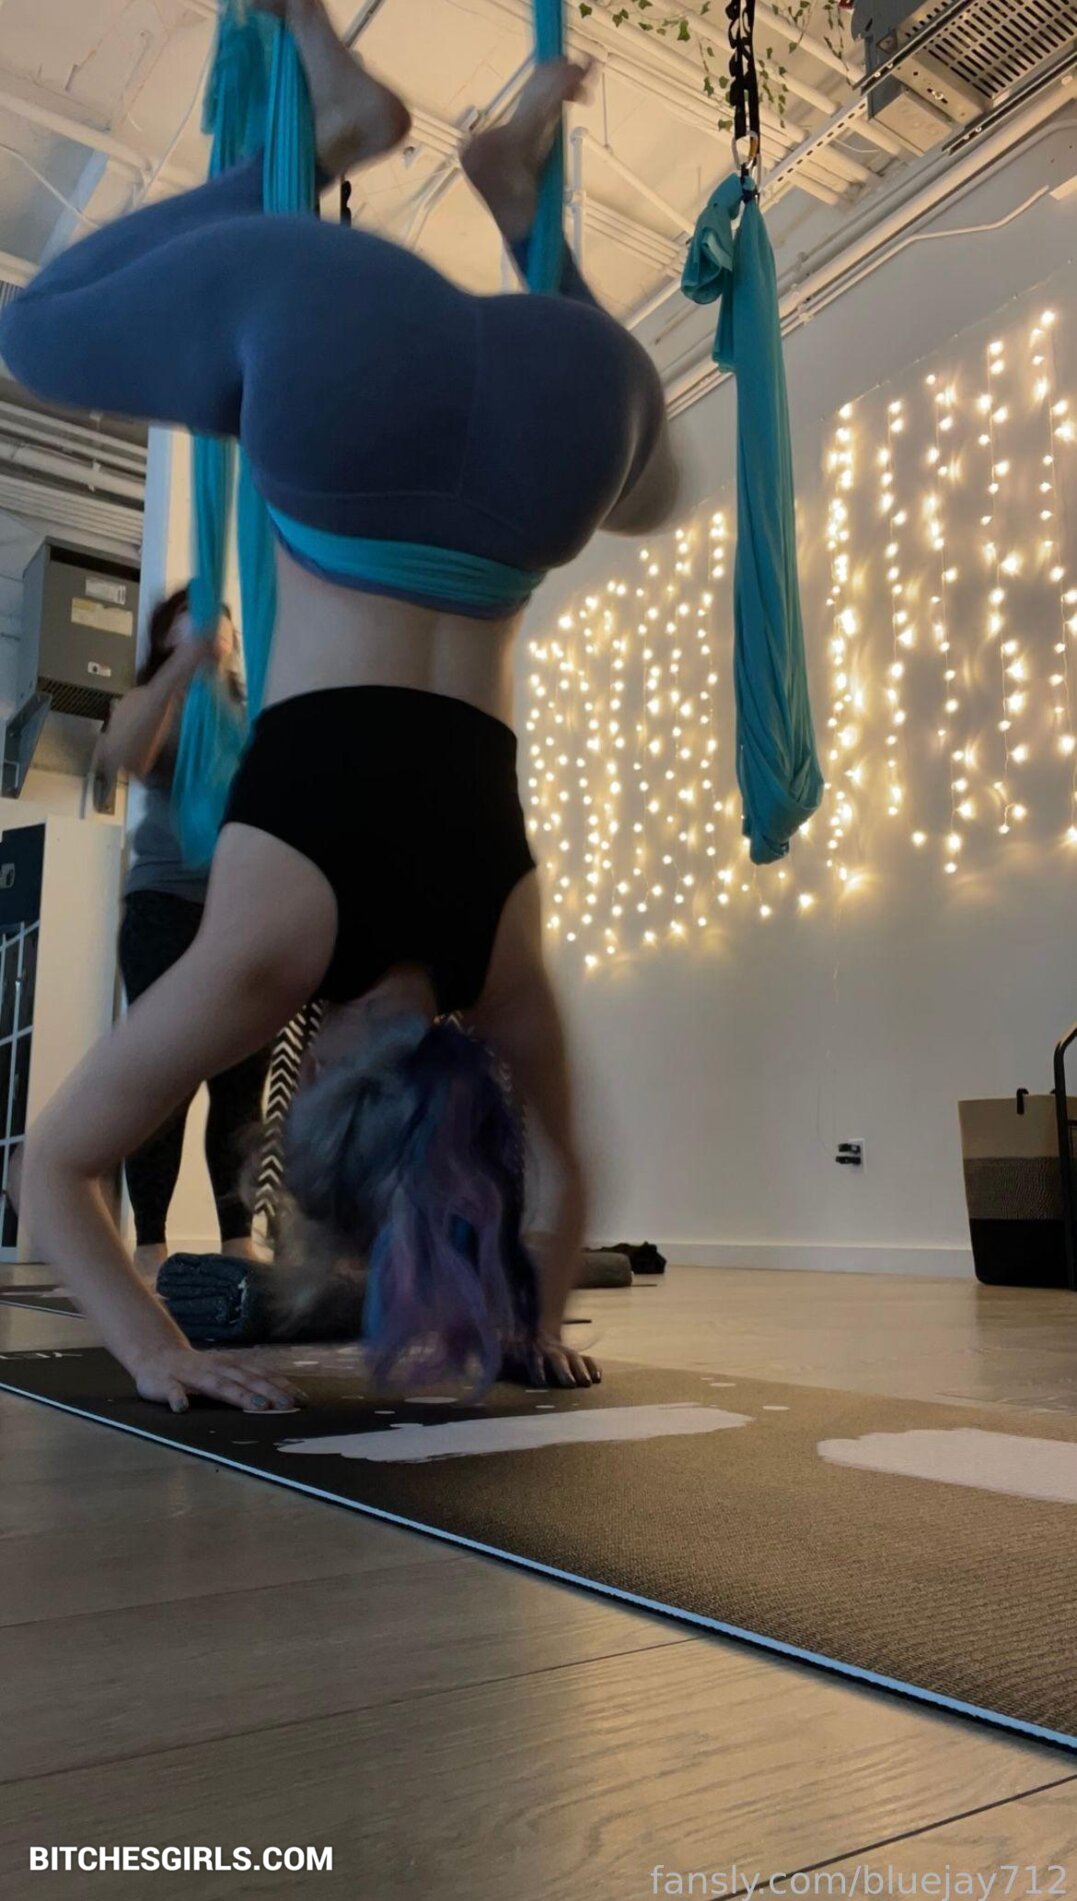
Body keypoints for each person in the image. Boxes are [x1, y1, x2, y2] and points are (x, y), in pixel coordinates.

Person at [2, 0, 679, 1415]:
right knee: (35, 329)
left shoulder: (504, 973)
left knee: (655, 486)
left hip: (552, 449)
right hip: (345, 408)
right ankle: (312, 146)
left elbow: (572, 1175)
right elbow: (54, 1172)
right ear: (313, 1110)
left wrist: (535, 1323)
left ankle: (518, 204)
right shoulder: (272, 953)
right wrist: (158, 1353)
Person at [95, 587, 272, 1281]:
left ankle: (238, 1242)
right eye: (190, 617)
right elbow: (123, 754)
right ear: (165, 631)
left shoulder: (248, 713)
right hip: (165, 909)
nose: (209, 626)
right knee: (164, 1080)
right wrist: (181, 667)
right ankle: (150, 1244)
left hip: (241, 913)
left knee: (240, 1086)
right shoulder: (153, 700)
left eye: (218, 618)